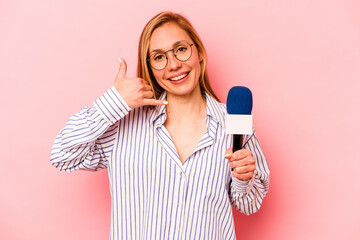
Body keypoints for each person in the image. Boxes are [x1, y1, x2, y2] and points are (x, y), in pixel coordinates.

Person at [51, 11, 270, 240]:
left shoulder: (234, 125)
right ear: (151, 69)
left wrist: (244, 179)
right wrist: (115, 101)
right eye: (159, 57)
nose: (174, 64)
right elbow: (62, 155)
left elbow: (249, 204)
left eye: (181, 49)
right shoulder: (123, 126)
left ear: (200, 53)